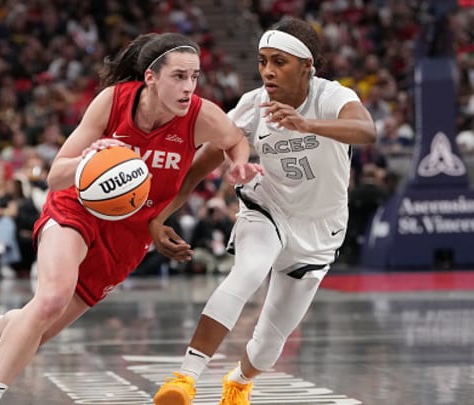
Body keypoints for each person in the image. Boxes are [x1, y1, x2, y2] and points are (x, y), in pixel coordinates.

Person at [0, 32, 261, 405]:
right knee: (50, 299)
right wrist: (89, 159)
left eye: (194, 77)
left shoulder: (199, 116)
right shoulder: (113, 103)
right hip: (77, 209)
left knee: (38, 330)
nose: (188, 87)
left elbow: (235, 139)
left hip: (128, 235)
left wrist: (240, 163)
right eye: (179, 76)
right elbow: (55, 176)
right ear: (150, 77)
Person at [151, 17, 376, 405]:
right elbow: (200, 166)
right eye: (262, 61)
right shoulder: (253, 104)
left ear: (307, 66)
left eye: (279, 62)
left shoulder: (331, 96)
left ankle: (238, 381)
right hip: (268, 208)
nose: (268, 71)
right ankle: (184, 379)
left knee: (269, 345)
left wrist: (308, 125)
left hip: (320, 231)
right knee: (248, 272)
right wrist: (159, 216)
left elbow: (367, 131)